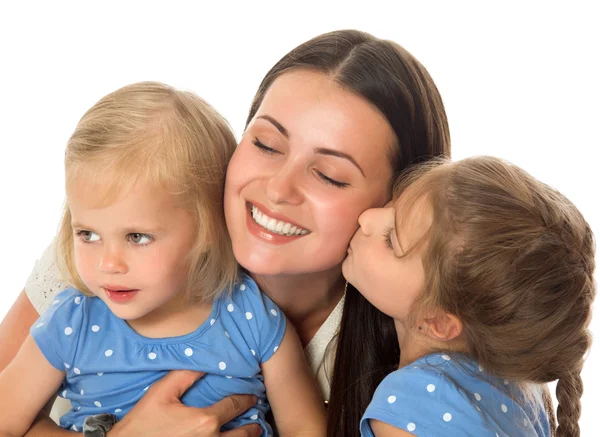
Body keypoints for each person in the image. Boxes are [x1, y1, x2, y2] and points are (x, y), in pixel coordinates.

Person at [0, 30, 451, 437]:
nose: (277, 190)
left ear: (398, 205)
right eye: (266, 144)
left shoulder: (425, 340)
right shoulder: (101, 251)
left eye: (329, 175)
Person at [0, 82, 325, 437]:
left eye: (137, 237)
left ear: (205, 232)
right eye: (88, 234)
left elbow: (305, 428)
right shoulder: (72, 322)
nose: (109, 263)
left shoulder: (252, 317)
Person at [343, 156, 594, 437]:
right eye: (392, 204)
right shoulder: (517, 388)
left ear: (438, 321)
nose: (366, 218)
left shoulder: (414, 407)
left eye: (390, 239)